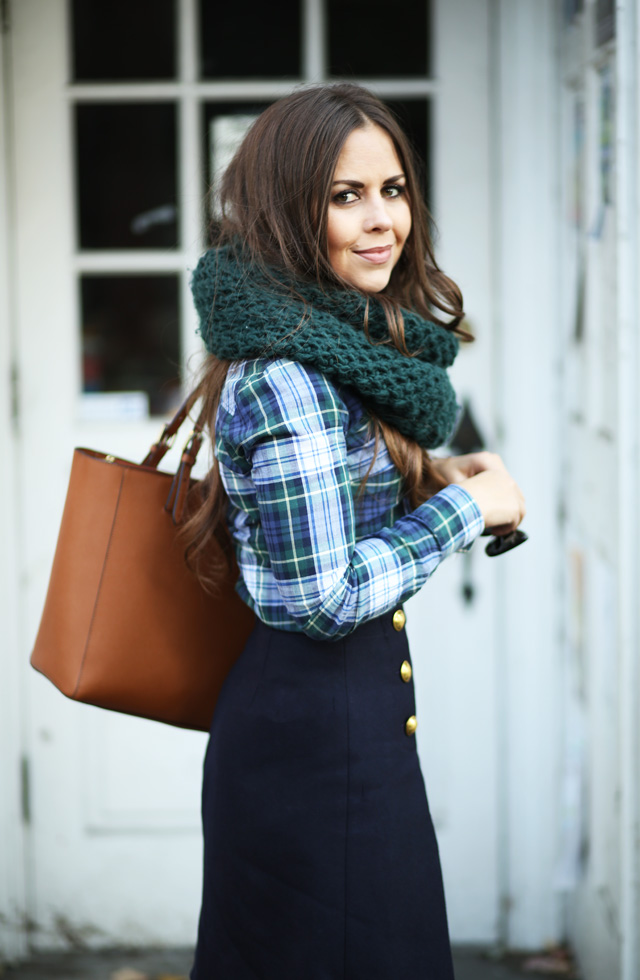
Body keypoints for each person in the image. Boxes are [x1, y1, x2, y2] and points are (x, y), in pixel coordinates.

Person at [186, 83, 525, 980]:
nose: (382, 221)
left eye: (394, 189)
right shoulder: (287, 373)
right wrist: (465, 511)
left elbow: (327, 501)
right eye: (345, 196)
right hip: (313, 759)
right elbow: (320, 595)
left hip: (341, 737)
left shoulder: (339, 344)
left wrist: (434, 475)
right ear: (286, 211)